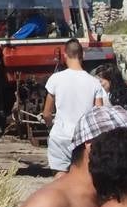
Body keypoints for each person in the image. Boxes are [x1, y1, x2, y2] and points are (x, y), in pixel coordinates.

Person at [42, 39, 105, 173]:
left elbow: (46, 113)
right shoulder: (94, 83)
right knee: (83, 178)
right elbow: (100, 114)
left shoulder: (55, 79)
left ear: (65, 55)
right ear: (83, 56)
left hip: (60, 136)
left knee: (60, 177)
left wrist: (50, 125)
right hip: (84, 139)